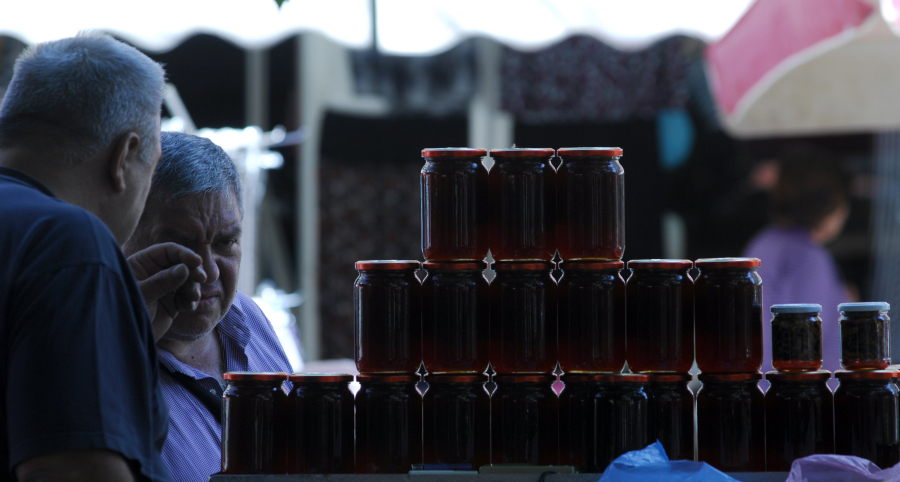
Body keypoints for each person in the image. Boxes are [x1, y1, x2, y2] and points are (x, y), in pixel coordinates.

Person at [0, 33, 205, 482]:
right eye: (152, 165)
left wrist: (113, 336)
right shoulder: (67, 240)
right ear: (124, 157)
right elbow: (72, 470)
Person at [123, 131, 293, 482]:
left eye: (226, 242)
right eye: (180, 246)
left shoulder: (249, 319)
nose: (209, 270)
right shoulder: (104, 362)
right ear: (124, 236)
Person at [742, 146, 852, 390]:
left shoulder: (763, 242)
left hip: (760, 392)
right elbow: (807, 340)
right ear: (832, 204)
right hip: (797, 400)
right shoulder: (808, 257)